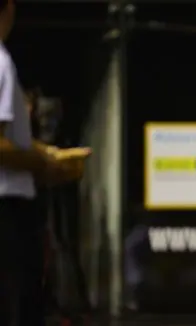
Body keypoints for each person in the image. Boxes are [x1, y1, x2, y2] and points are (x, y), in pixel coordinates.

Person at [0, 0, 91, 324]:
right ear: (9, 9)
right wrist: (45, 164)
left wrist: (48, 153)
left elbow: (12, 139)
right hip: (7, 211)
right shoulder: (1, 61)